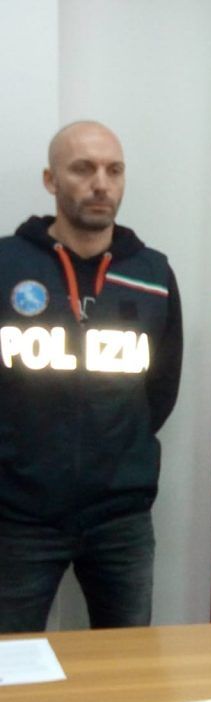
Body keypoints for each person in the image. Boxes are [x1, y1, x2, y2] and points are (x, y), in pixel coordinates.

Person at [0, 121, 183, 633]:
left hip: (121, 517)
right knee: (9, 664)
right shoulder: (6, 265)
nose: (101, 183)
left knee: (127, 663)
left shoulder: (152, 274)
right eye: (83, 169)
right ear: (51, 179)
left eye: (113, 170)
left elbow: (161, 389)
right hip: (19, 516)